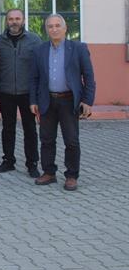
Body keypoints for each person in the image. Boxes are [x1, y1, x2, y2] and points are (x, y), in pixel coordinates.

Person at [30, 14, 96, 192]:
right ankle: (49, 172)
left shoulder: (78, 48)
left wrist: (87, 101)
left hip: (69, 101)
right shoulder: (39, 50)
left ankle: (72, 176)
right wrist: (33, 100)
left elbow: (89, 76)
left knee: (71, 140)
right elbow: (34, 78)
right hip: (47, 100)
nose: (54, 29)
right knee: (46, 139)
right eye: (50, 26)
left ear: (65, 28)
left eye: (57, 25)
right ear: (46, 30)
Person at [0, 8, 42, 177]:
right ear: (6, 21)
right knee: (8, 128)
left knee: (30, 129)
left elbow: (40, 68)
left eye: (17, 18)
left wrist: (39, 92)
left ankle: (32, 164)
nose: (14, 22)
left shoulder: (34, 40)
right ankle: (8, 160)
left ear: (23, 20)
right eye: (11, 19)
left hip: (27, 92)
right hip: (5, 91)